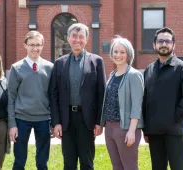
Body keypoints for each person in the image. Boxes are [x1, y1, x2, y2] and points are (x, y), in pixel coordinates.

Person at [49, 23, 106, 170]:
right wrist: (56, 122)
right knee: (69, 162)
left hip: (87, 120)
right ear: (68, 38)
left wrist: (99, 122)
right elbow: (53, 95)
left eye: (81, 37)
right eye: (74, 36)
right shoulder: (59, 63)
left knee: (87, 162)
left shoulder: (96, 62)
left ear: (86, 39)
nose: (77, 40)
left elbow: (101, 94)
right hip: (66, 120)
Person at [142, 27, 183, 170]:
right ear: (154, 44)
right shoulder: (149, 70)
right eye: (160, 41)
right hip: (154, 132)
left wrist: (175, 118)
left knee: (178, 167)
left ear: (173, 44)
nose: (164, 44)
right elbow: (145, 100)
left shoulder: (182, 69)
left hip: (174, 131)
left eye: (168, 41)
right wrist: (146, 129)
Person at [8, 31, 53, 170]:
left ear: (42, 46)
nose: (35, 48)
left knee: (42, 161)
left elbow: (53, 96)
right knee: (19, 161)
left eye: (38, 45)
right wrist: (12, 124)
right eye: (32, 45)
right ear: (25, 46)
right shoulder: (16, 68)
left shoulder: (50, 67)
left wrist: (54, 121)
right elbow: (11, 97)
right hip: (22, 119)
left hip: (44, 119)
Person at [100, 36, 144, 170]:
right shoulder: (113, 74)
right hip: (109, 128)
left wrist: (131, 131)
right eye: (116, 51)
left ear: (128, 54)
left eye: (122, 52)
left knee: (129, 166)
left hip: (125, 128)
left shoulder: (133, 75)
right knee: (116, 166)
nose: (118, 55)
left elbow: (137, 104)